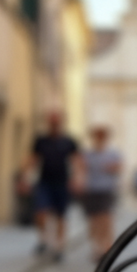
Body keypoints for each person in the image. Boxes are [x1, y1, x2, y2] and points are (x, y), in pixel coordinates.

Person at [22, 111, 82, 263]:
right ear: (48, 123)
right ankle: (44, 240)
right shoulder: (41, 140)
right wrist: (24, 177)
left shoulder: (69, 141)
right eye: (52, 122)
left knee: (60, 216)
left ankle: (59, 248)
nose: (54, 125)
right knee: (40, 212)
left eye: (57, 122)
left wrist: (77, 179)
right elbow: (33, 159)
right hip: (44, 183)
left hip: (62, 183)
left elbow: (76, 161)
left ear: (61, 123)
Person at [81, 126, 123, 263]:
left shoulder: (112, 154)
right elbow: (81, 170)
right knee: (94, 221)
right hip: (91, 191)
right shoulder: (88, 155)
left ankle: (107, 248)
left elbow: (119, 167)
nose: (99, 139)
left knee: (105, 219)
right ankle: (97, 248)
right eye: (97, 136)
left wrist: (112, 167)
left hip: (106, 190)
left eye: (101, 136)